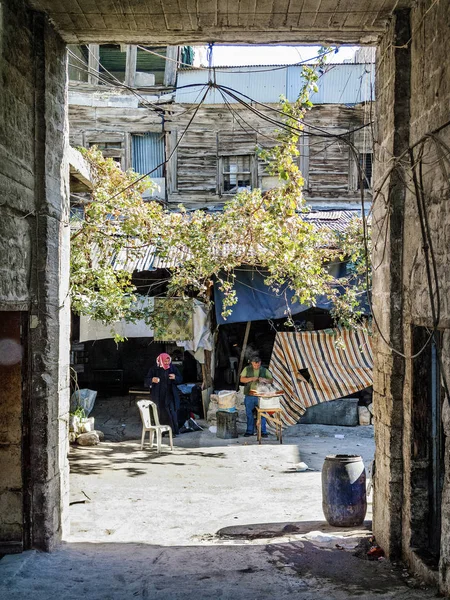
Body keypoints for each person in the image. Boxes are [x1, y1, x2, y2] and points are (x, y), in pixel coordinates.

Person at [144, 353, 183, 435]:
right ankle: (161, 432)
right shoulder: (154, 369)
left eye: (168, 361)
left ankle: (173, 432)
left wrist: (175, 377)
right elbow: (146, 381)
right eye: (165, 361)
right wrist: (152, 380)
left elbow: (180, 379)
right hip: (159, 395)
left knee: (172, 413)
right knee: (160, 413)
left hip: (170, 395)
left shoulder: (172, 368)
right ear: (161, 360)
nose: (167, 363)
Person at [240, 354, 273, 438]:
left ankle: (263, 431)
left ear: (260, 363)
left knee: (262, 413)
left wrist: (265, 380)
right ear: (252, 363)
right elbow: (242, 379)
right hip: (250, 395)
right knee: (249, 413)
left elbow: (271, 380)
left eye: (258, 364)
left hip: (261, 395)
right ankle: (249, 431)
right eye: (255, 364)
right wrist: (251, 379)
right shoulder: (247, 369)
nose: (256, 366)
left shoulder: (264, 370)